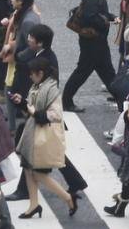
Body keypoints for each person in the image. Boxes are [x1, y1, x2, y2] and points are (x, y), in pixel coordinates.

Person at [15, 56, 78, 218]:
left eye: (32, 73)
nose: (30, 76)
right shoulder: (38, 86)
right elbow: (30, 105)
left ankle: (67, 197)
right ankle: (33, 204)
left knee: (37, 173)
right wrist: (22, 102)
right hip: (32, 134)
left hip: (43, 137)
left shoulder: (51, 90)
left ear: (40, 73)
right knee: (28, 169)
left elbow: (56, 114)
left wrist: (34, 112)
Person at [62, 0, 116, 111]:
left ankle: (120, 97)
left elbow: (100, 12)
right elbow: (90, 16)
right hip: (93, 41)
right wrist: (105, 22)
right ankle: (66, 101)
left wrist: (111, 17)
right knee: (83, 71)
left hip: (96, 40)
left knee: (106, 71)